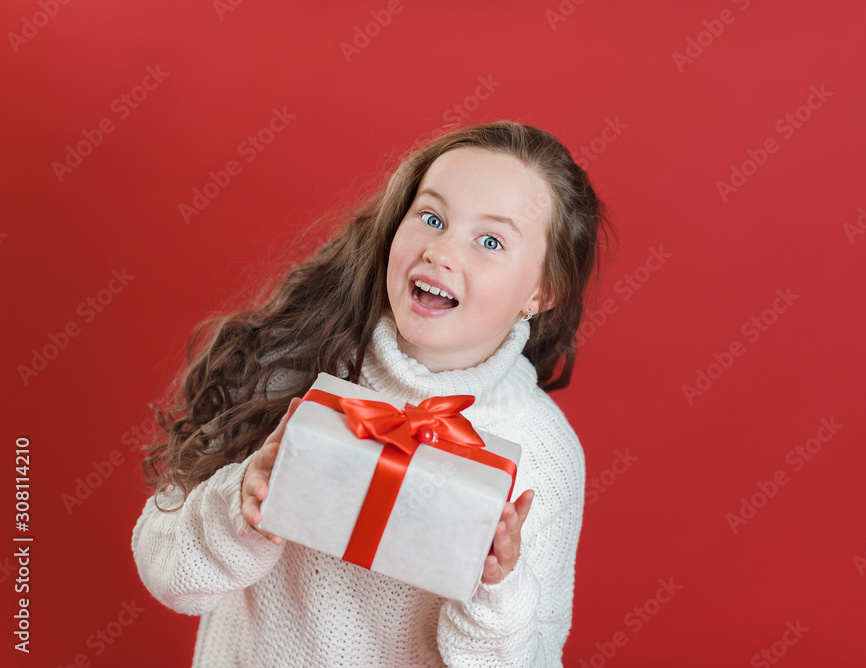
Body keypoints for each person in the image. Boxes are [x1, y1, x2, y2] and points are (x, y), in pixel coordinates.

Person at [131, 120, 612, 666]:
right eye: (431, 218)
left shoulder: (542, 453)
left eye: (490, 241)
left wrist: (495, 592)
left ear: (540, 292)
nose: (442, 251)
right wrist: (240, 504)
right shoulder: (295, 361)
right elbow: (167, 576)